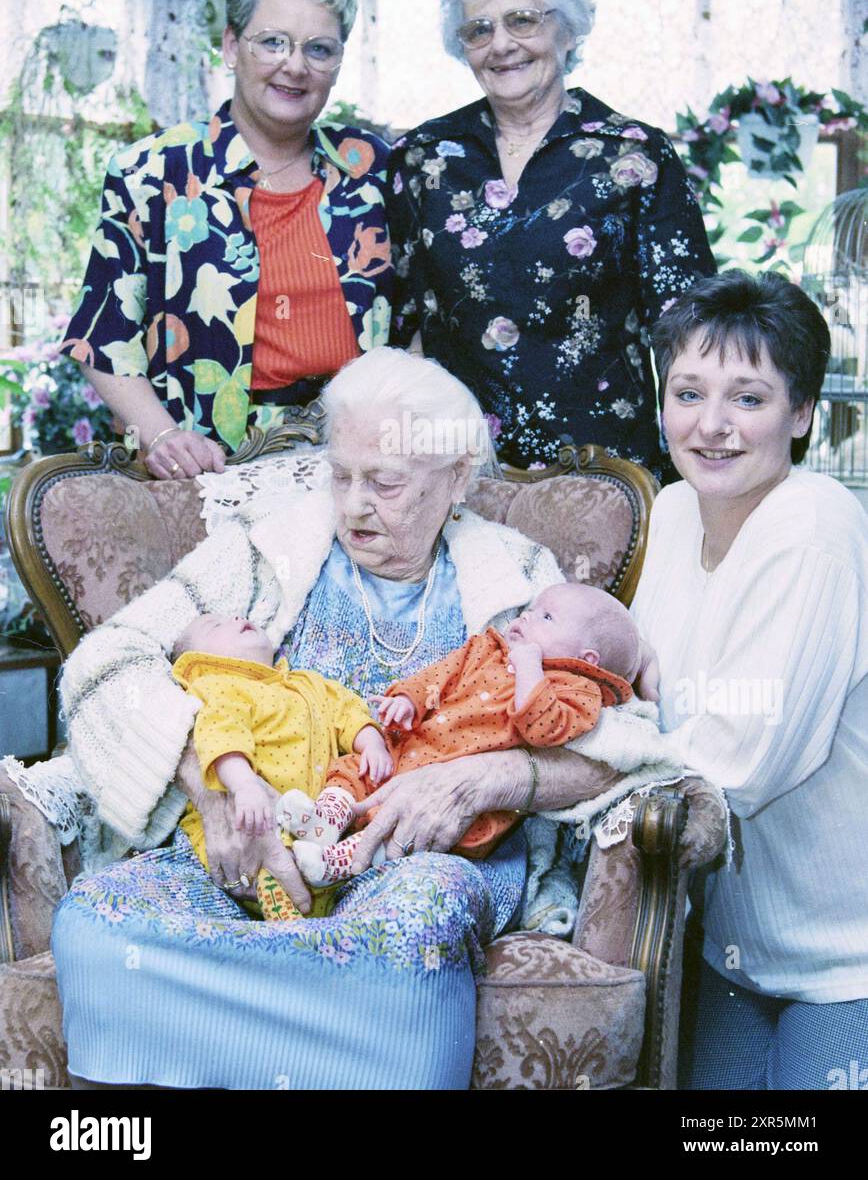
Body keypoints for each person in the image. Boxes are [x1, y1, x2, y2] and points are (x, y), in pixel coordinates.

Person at [35, 347, 632, 1091]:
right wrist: (218, 790)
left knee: (408, 935)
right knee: (96, 920)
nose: (352, 505)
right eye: (341, 475)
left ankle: (227, 1031)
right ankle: (347, 1037)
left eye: (384, 483)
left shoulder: (521, 581)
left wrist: (483, 779)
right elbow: (106, 661)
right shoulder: (264, 551)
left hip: (424, 862)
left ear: (455, 480)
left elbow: (625, 745)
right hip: (254, 849)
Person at [630, 269, 868, 1090]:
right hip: (733, 952)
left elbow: (737, 766)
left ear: (801, 413)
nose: (712, 426)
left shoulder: (815, 525)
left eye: (749, 399)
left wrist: (541, 774)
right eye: (688, 393)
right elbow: (639, 699)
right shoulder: (667, 514)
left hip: (849, 960)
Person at [387, 0, 717, 476]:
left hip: (605, 471)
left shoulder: (636, 157)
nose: (501, 45)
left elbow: (687, 331)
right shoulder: (422, 158)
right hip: (458, 469)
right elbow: (407, 328)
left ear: (568, 30)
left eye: (522, 19)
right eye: (478, 29)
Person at [59, 0, 394, 480]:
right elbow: (103, 339)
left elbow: (419, 318)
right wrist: (164, 436)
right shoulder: (151, 172)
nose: (294, 66)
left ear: (337, 63)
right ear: (232, 46)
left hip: (361, 461)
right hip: (213, 467)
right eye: (273, 42)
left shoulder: (373, 169)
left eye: (319, 49)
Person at [290, 581, 638, 885]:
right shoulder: (486, 648)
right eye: (530, 609)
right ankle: (324, 821)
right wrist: (408, 700)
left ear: (587, 659)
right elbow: (440, 675)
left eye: (546, 617)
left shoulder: (576, 692)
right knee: (354, 769)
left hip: (447, 795)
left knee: (401, 821)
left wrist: (531, 667)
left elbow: (542, 728)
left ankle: (337, 864)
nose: (527, 616)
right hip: (407, 749)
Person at [170, 612, 392, 919]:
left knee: (332, 847)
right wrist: (244, 785)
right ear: (197, 663)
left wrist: (372, 744)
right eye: (216, 626)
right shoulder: (219, 686)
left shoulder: (308, 685)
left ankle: (329, 878)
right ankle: (286, 926)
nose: (236, 616)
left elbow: (347, 710)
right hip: (252, 820)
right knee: (270, 866)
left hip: (319, 823)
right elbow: (222, 736)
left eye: (236, 616)